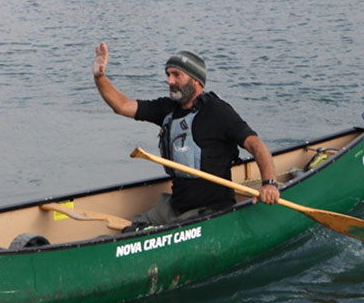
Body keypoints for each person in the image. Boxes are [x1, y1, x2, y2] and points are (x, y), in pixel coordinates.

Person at [93, 41, 280, 228]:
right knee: (129, 228)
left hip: (210, 210)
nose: (169, 81)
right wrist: (100, 77)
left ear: (196, 80)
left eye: (176, 75)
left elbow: (256, 145)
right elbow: (122, 106)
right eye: (168, 74)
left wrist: (269, 183)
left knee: (146, 234)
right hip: (174, 206)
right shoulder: (167, 109)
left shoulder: (218, 112)